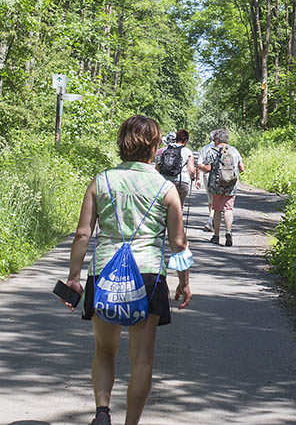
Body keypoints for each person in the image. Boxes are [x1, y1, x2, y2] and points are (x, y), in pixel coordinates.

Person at [65, 115, 193, 425]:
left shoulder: (101, 180)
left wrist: (73, 278)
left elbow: (83, 235)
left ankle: (102, 412)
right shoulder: (166, 188)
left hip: (105, 272)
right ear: (156, 147)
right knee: (142, 360)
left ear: (122, 143)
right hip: (148, 276)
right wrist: (184, 282)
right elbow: (178, 242)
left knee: (104, 350)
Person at [197, 127, 244, 247]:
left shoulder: (213, 151)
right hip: (231, 184)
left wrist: (200, 167)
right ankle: (228, 232)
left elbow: (207, 169)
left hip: (216, 183)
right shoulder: (234, 151)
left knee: (217, 209)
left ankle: (216, 236)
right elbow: (242, 168)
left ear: (217, 139)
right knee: (228, 209)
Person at [156, 129, 196, 210]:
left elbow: (157, 167)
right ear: (186, 140)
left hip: (165, 181)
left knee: (165, 206)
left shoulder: (165, 150)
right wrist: (193, 178)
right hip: (181, 182)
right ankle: (177, 221)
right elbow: (191, 170)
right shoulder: (187, 151)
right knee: (178, 207)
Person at [195, 131, 217, 232]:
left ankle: (211, 220)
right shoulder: (225, 148)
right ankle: (211, 220)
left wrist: (197, 178)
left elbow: (199, 164)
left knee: (210, 199)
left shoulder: (205, 148)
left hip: (207, 175)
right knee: (218, 199)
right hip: (221, 176)